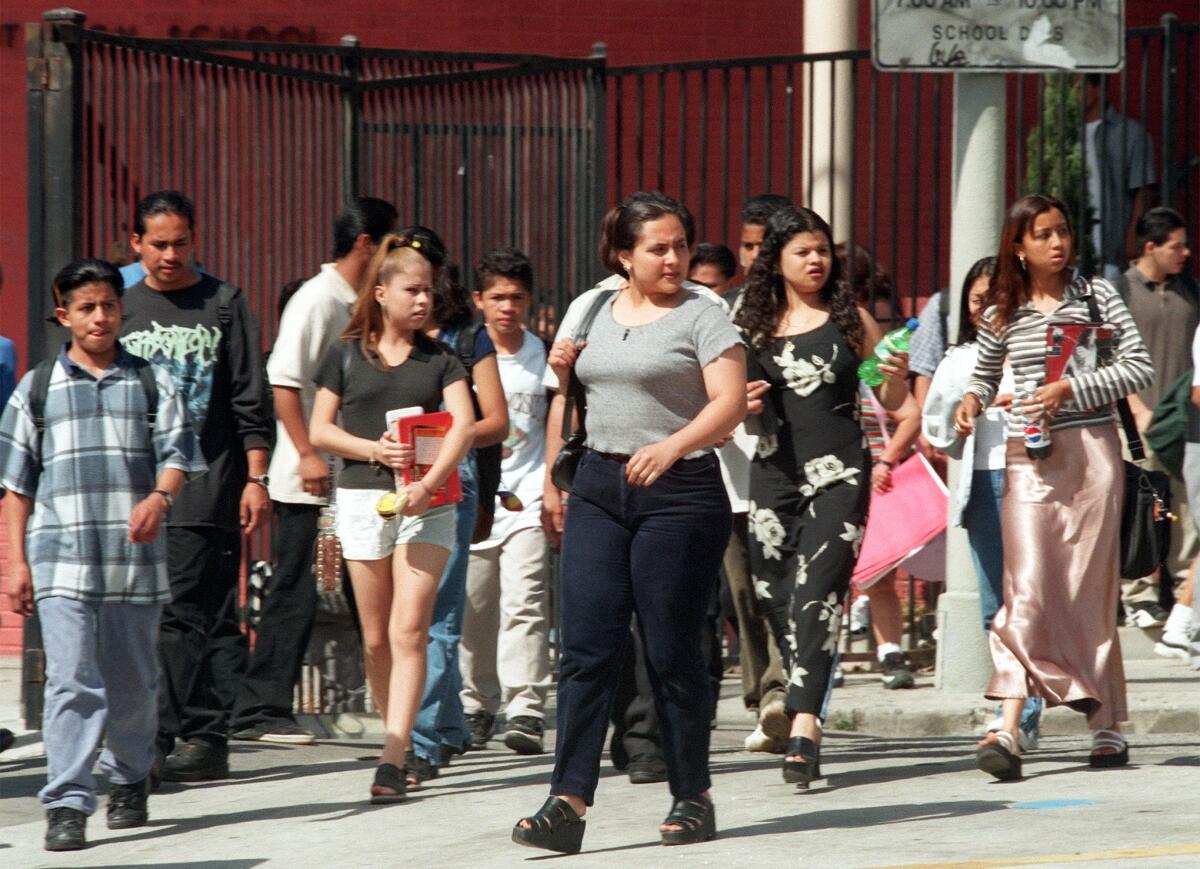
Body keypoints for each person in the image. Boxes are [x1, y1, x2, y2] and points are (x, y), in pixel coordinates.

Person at [512, 191, 746, 853]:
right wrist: (564, 381)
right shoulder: (592, 305)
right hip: (598, 487)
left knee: (671, 650)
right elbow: (581, 395)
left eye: (680, 245)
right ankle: (568, 800)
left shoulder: (705, 312)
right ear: (624, 254)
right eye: (658, 248)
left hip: (681, 489)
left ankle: (691, 794)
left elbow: (728, 402)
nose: (674, 258)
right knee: (586, 647)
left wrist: (673, 445)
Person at [1, 259, 204, 851]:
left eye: (109, 306)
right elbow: (17, 486)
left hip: (132, 564)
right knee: (69, 681)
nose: (99, 317)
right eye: (86, 308)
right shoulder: (36, 388)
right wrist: (18, 563)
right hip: (60, 558)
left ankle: (131, 774)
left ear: (123, 311)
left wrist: (160, 499)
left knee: (133, 683)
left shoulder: (150, 382)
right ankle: (66, 800)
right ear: (63, 314)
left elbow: (177, 455)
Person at [954, 193, 1152, 780]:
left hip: (1093, 453)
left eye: (1062, 231)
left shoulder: (1098, 297)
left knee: (1090, 591)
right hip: (1027, 456)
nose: (1057, 243)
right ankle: (1007, 728)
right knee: (1027, 588)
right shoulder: (1001, 311)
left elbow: (1137, 367)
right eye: (1042, 234)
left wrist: (1073, 389)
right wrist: (970, 401)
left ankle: (1106, 726)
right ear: (1018, 245)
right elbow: (986, 377)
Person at [736, 205, 909, 789]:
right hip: (773, 479)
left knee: (819, 592)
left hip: (840, 477)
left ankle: (806, 725)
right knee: (775, 592)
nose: (816, 260)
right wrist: (745, 403)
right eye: (802, 252)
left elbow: (888, 397)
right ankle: (803, 700)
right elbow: (723, 402)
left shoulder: (852, 322)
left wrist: (895, 371)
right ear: (776, 262)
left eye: (822, 250)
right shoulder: (750, 330)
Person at [308, 234, 476, 802]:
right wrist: (372, 450)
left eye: (429, 290)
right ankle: (395, 738)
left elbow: (465, 426)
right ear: (381, 293)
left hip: (430, 504)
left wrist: (428, 484)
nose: (424, 300)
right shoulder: (345, 353)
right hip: (361, 500)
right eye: (412, 289)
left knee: (410, 630)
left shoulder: (444, 360)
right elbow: (319, 431)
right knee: (376, 639)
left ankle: (395, 754)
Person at [229, 197, 398, 745]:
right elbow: (283, 380)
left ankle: (400, 710)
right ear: (366, 244)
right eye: (389, 245)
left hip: (346, 474)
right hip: (310, 478)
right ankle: (260, 707)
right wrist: (305, 452)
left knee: (361, 590)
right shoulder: (318, 299)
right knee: (297, 587)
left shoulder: (355, 300)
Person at [119, 191, 273, 783]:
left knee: (185, 611)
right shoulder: (121, 306)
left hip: (208, 482)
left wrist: (256, 477)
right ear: (136, 242)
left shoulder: (224, 304)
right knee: (193, 611)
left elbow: (248, 398)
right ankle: (206, 735)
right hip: (135, 484)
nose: (170, 254)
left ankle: (154, 741)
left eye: (181, 242)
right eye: (157, 243)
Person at [922, 256, 1044, 751]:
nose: (989, 307)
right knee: (997, 603)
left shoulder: (1038, 348)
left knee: (1035, 600)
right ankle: (1018, 710)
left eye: (998, 296)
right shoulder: (959, 360)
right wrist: (963, 414)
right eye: (978, 300)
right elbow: (935, 428)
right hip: (984, 481)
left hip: (1039, 480)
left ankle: (1026, 709)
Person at [403, 226, 509, 782]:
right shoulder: (380, 339)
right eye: (407, 281)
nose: (420, 292)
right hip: (388, 483)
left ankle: (419, 742)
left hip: (451, 482)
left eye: (429, 278)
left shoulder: (468, 337)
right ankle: (446, 727)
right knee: (401, 621)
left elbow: (496, 421)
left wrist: (450, 434)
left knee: (437, 617)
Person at [459, 247, 553, 755]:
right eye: (497, 297)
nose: (507, 307)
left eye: (517, 297)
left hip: (528, 497)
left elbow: (559, 427)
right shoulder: (464, 355)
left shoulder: (545, 357)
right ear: (478, 300)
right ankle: (476, 704)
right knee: (474, 607)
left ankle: (526, 709)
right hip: (476, 497)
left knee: (526, 603)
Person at [1116, 207, 1198, 630]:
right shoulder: (1120, 291)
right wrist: (1135, 407)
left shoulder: (1190, 292)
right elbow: (1109, 355)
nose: (1185, 252)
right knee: (1143, 509)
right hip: (1137, 422)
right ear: (1151, 247)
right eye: (1176, 245)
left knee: (1186, 512)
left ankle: (1187, 593)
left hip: (1183, 422)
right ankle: (1140, 595)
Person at [1082, 73, 1156, 280]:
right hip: (1072, 233)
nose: (1072, 95)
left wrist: (1133, 235)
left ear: (1098, 89)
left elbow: (1143, 190)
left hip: (1109, 235)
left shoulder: (1129, 133)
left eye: (1079, 87)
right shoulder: (1063, 133)